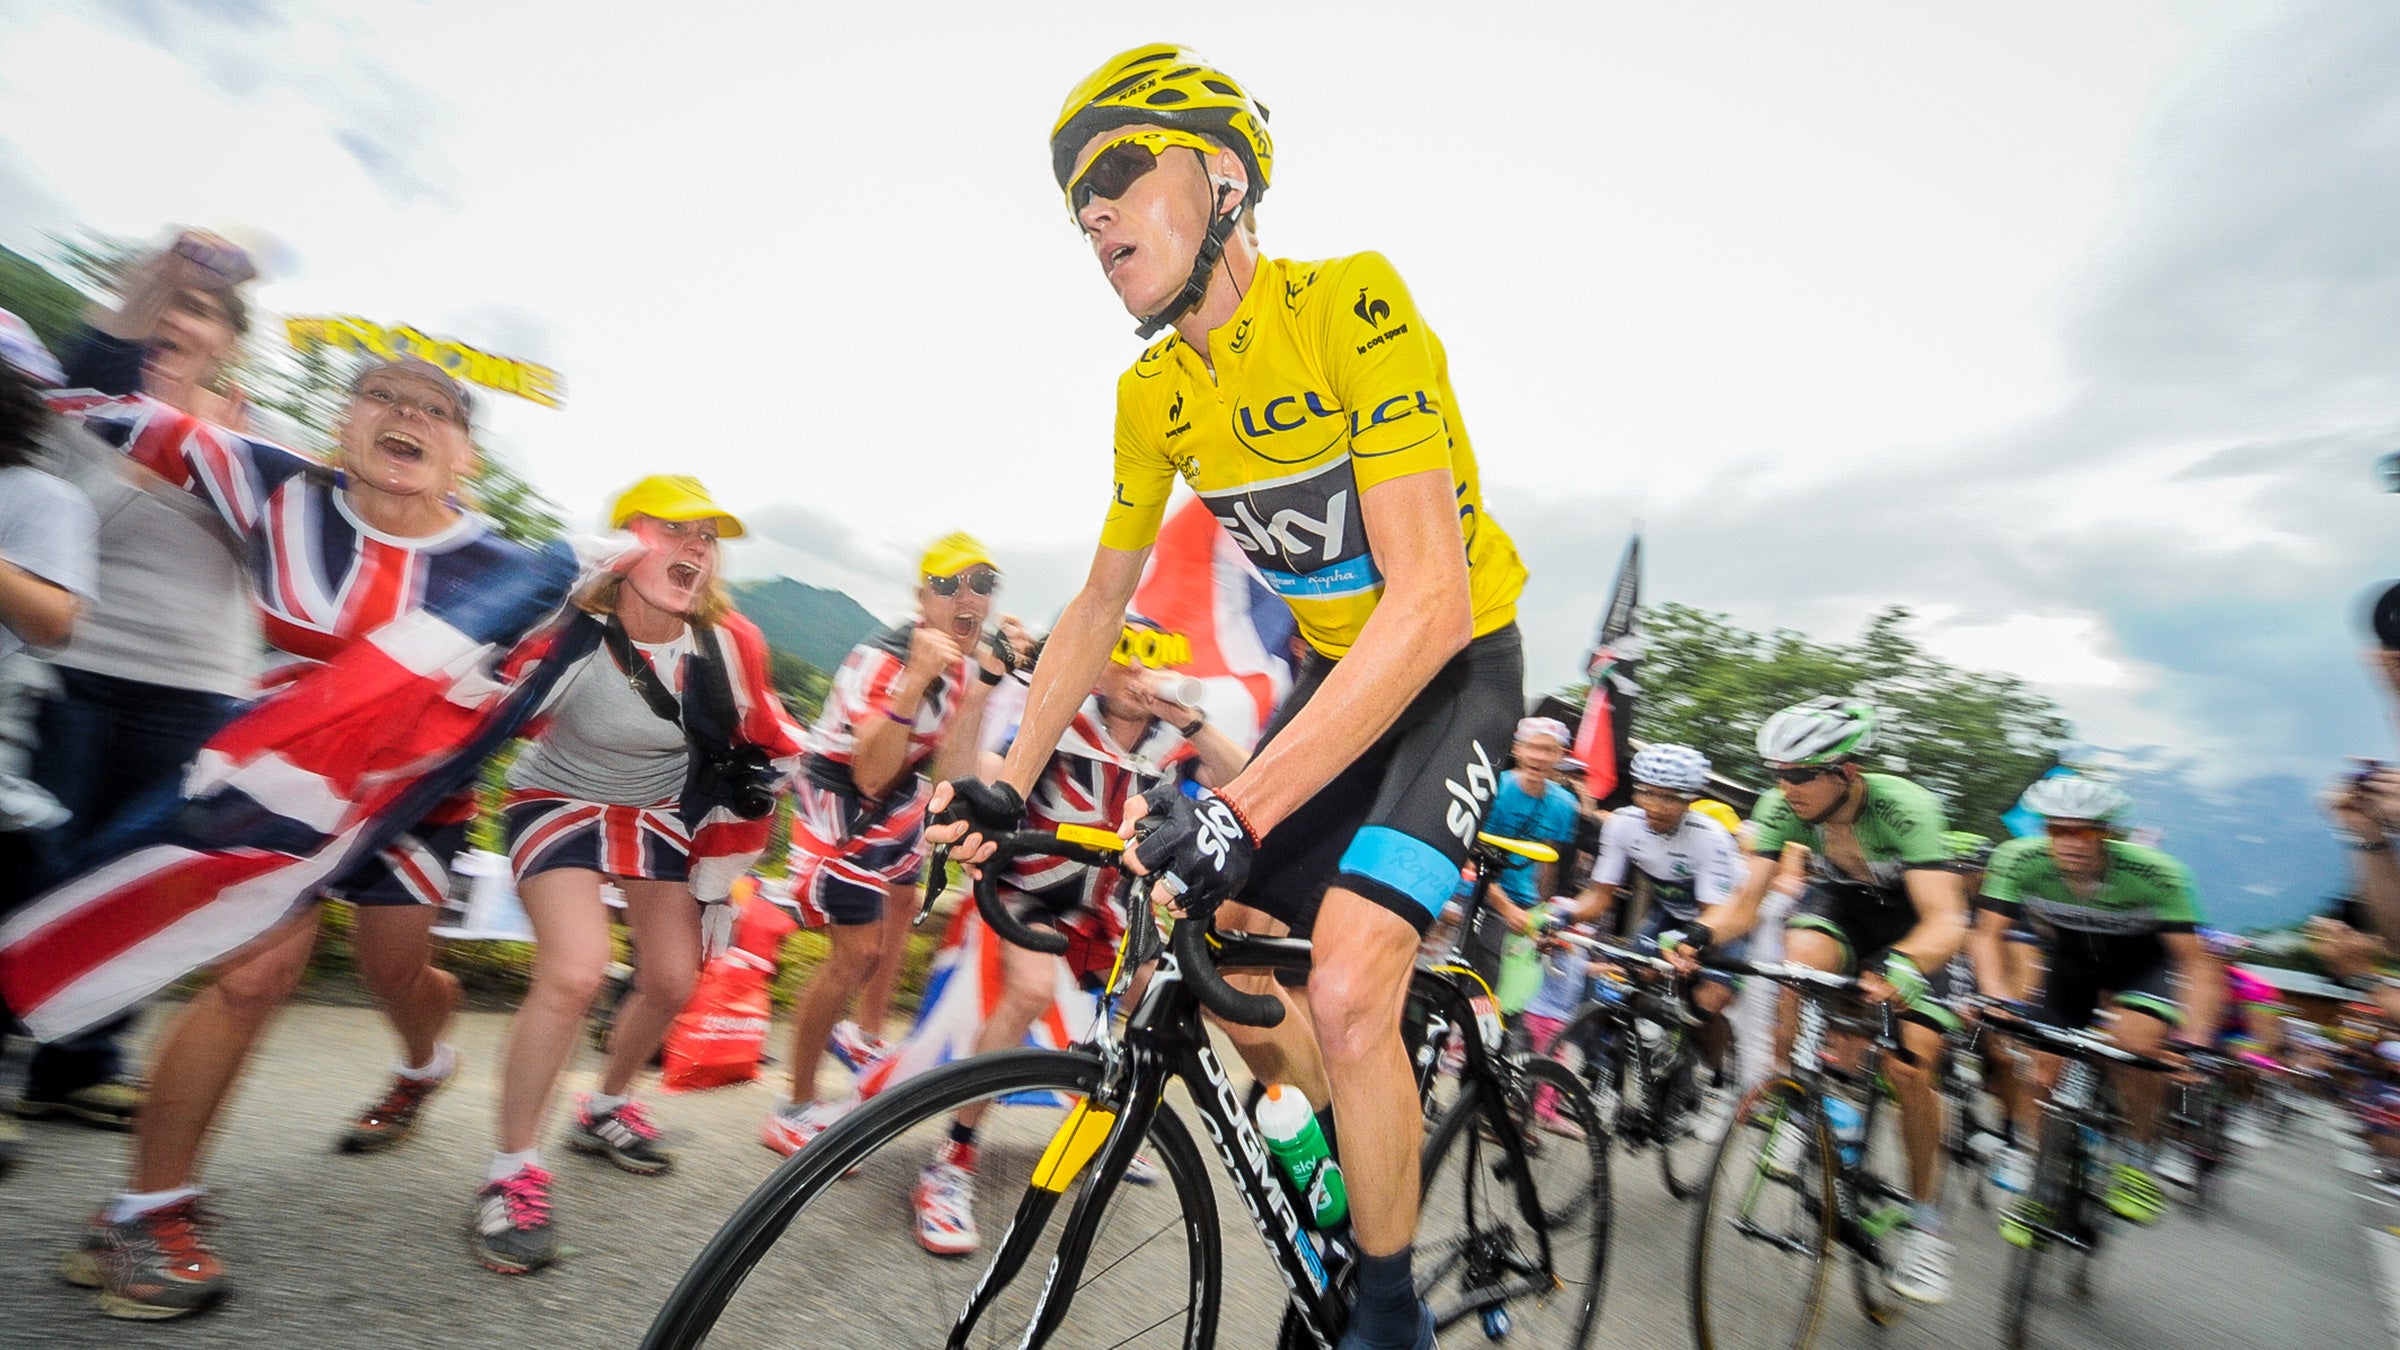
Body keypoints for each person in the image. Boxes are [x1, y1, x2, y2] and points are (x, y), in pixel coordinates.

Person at [933, 46, 1530, 1350]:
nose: (1088, 215)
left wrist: (1239, 805)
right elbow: (1098, 606)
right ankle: (1353, 1185)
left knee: (1358, 981)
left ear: (1219, 176)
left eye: (1109, 175)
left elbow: (1427, 595)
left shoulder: (1351, 305)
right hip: (1334, 676)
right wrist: (1010, 776)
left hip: (1451, 659)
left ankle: (1389, 1309)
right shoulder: (1154, 392)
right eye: (1070, 200)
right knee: (1222, 961)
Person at [53, 357, 575, 1320]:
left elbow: (554, 686)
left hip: (413, 802)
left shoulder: (512, 569)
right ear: (347, 423)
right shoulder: (275, 484)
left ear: (464, 457)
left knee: (398, 972)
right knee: (252, 974)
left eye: (438, 410)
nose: (408, 415)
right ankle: (142, 1211)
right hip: (279, 781)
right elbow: (95, 402)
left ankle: (424, 1064)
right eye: (384, 396)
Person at [473, 476, 800, 1274]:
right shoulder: (569, 628)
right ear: (624, 545)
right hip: (557, 796)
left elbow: (771, 738)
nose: (695, 547)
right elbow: (474, 695)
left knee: (674, 979)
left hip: (657, 813)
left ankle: (608, 1104)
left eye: (707, 538)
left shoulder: (729, 645)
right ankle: (510, 1172)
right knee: (577, 970)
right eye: (674, 530)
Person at [6, 237, 262, 1135]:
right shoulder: (87, 416)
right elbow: (59, 515)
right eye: (166, 307)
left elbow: (284, 576)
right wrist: (142, 442)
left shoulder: (255, 447)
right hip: (70, 674)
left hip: (193, 689)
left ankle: (79, 1064)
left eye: (198, 311)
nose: (175, 324)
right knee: (36, 865)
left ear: (227, 341)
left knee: (133, 884)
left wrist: (223, 461)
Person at [912, 617, 1247, 1255]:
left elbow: (1247, 780)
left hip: (1108, 904)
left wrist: (1188, 720)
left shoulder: (1169, 747)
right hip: (1031, 890)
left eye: (1147, 658)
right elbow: (969, 775)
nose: (1133, 673)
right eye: (1119, 656)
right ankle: (952, 1159)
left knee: (1164, 999)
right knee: (1031, 987)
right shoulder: (1059, 719)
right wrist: (979, 694)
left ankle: (1110, 1125)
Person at [1668, 697, 1968, 1304]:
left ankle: (1926, 1226)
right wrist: (1700, 936)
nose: (1786, 786)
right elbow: (1746, 906)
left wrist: (1907, 968)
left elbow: (1947, 919)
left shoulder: (1905, 808)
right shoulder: (1784, 808)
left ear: (1847, 772)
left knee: (1911, 1066)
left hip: (1912, 924)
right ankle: (1801, 1102)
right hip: (1846, 910)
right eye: (1778, 772)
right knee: (1796, 964)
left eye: (1801, 774)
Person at [763, 533, 1007, 1155]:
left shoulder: (959, 665)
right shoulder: (884, 660)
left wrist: (981, 688)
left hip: (898, 794)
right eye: (949, 584)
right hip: (840, 794)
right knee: (855, 954)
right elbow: (868, 772)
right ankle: (792, 1106)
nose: (967, 597)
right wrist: (915, 680)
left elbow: (949, 774)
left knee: (902, 904)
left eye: (981, 584)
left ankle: (860, 1032)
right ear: (922, 596)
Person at [1968, 776, 2217, 1238]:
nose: (2069, 842)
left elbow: (2197, 964)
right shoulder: (2018, 860)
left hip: (2141, 965)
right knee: (2041, 1070)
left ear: (2108, 834)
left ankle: (2138, 1159)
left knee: (2137, 1047)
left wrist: (2194, 1042)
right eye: (2056, 830)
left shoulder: (2158, 872)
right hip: (2072, 966)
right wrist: (1996, 997)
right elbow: (1987, 935)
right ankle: (2040, 1187)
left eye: (2084, 831)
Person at [1569, 744, 1742, 1084]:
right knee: (1627, 982)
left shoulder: (1710, 839)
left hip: (1722, 921)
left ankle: (1716, 1076)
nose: (1654, 806)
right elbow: (1599, 896)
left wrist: (1685, 945)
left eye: (1670, 798)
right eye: (1646, 793)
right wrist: (1562, 915)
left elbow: (1714, 916)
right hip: (1672, 913)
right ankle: (1616, 1070)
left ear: (1690, 798)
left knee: (1703, 1006)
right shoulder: (1622, 824)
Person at [1458, 717, 1580, 995]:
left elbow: (1549, 866)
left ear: (1561, 755)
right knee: (1482, 981)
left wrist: (1542, 916)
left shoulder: (1564, 805)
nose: (1539, 757)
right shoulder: (1495, 788)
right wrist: (1505, 908)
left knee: (1515, 993)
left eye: (1549, 750)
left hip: (1524, 908)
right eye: (1533, 747)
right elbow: (1469, 852)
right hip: (1478, 893)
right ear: (1517, 749)